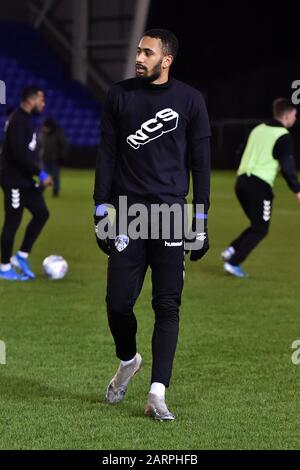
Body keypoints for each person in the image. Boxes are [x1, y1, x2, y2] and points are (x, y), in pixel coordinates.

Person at [93, 29, 211, 420]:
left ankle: (157, 393)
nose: (138, 57)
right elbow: (108, 151)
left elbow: (201, 162)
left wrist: (201, 218)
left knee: (167, 305)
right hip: (128, 213)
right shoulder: (119, 95)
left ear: (167, 60)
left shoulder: (191, 100)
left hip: (171, 215)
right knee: (117, 303)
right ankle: (128, 360)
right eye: (138, 51)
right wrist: (99, 209)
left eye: (147, 52)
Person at [222, 98, 300, 278]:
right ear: (287, 115)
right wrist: (296, 189)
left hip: (241, 182)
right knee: (261, 229)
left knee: (257, 224)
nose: (295, 118)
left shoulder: (258, 129)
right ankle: (233, 263)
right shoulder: (283, 135)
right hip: (259, 185)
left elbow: (239, 153)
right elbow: (288, 167)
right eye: (295, 115)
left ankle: (232, 249)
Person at [0, 85, 53, 281]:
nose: (43, 103)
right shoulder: (18, 121)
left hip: (25, 181)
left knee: (41, 214)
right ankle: (4, 267)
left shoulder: (26, 120)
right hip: (13, 180)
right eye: (41, 99)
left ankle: (21, 256)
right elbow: (18, 154)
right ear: (31, 100)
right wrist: (40, 173)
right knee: (12, 223)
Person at [38, 117, 68, 197]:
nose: (44, 128)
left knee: (55, 176)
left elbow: (64, 146)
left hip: (55, 159)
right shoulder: (42, 134)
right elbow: (38, 145)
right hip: (44, 159)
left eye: (45, 127)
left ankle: (55, 191)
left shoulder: (58, 134)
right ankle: (40, 190)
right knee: (43, 175)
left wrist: (61, 157)